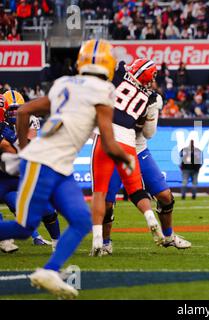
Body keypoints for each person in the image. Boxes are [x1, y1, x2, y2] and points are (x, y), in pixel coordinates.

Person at [0, 39, 135, 299]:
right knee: (25, 227)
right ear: (107, 64)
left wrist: (25, 147)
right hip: (44, 163)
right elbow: (108, 142)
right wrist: (126, 160)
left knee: (82, 220)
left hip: (56, 165)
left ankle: (50, 271)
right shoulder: (105, 90)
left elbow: (24, 110)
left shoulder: (64, 83)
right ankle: (51, 269)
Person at [90, 58, 165, 257]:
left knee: (100, 193)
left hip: (106, 134)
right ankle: (150, 218)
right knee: (136, 189)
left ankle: (98, 240)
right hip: (129, 141)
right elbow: (147, 130)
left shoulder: (120, 70)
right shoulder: (150, 98)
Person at [101, 93, 191, 254]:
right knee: (107, 203)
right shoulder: (118, 88)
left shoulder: (152, 98)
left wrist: (149, 110)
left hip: (139, 148)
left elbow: (149, 134)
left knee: (165, 196)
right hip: (114, 147)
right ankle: (105, 243)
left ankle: (168, 236)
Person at [0, 90, 61, 252]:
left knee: (46, 209)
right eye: (10, 110)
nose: (14, 113)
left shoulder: (29, 119)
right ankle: (5, 239)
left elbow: (30, 145)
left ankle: (57, 241)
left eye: (16, 109)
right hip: (3, 175)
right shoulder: (3, 127)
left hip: (19, 173)